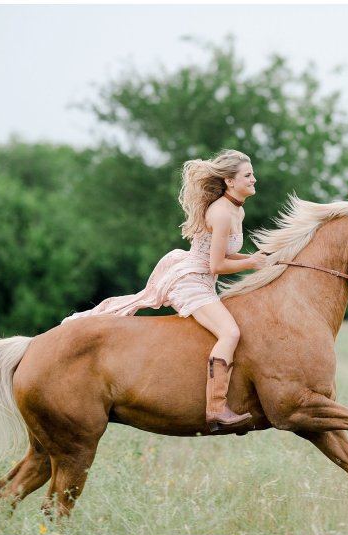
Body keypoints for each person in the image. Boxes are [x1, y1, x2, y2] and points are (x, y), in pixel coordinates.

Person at [62, 150, 267, 430]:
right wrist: (251, 262)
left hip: (202, 277)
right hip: (191, 281)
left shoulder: (237, 209)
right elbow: (216, 264)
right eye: (248, 175)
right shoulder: (221, 213)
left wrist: (257, 260)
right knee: (230, 332)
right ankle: (217, 408)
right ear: (230, 182)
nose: (254, 179)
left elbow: (225, 255)